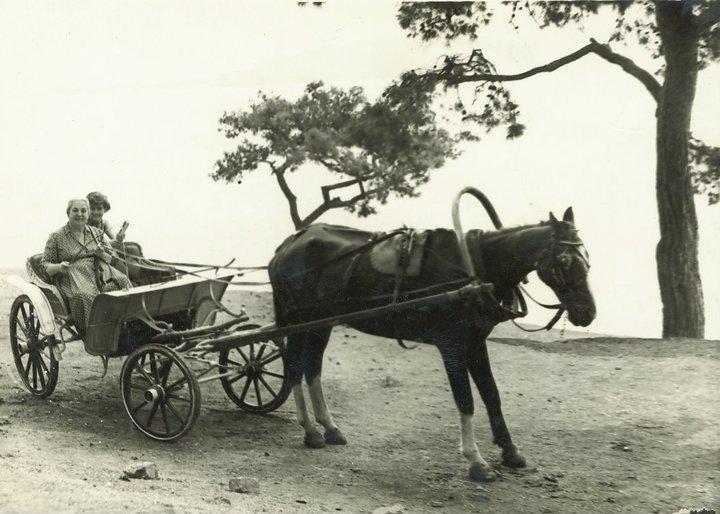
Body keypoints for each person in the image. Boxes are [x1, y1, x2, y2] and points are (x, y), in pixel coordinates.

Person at [42, 198, 132, 337]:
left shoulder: (96, 233)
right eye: (75, 210)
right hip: (72, 274)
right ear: (68, 213)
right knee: (87, 295)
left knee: (123, 281)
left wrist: (102, 252)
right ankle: (95, 335)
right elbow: (46, 265)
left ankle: (126, 324)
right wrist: (60, 267)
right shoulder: (57, 237)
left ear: (88, 214)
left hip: (99, 270)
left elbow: (109, 255)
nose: (80, 214)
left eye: (83, 211)